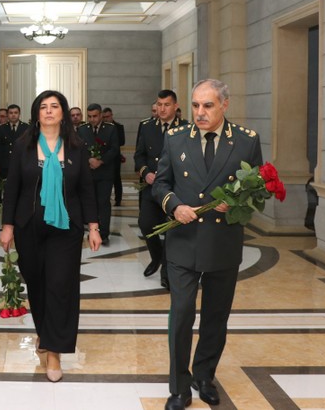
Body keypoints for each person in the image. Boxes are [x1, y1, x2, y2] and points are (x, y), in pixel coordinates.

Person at [152, 79, 262, 410]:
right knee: (182, 313)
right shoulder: (175, 139)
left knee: (216, 316)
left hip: (222, 243)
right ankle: (179, 387)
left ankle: (204, 375)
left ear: (224, 105)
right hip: (183, 242)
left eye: (208, 106)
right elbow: (160, 184)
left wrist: (239, 203)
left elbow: (258, 189)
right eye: (196, 105)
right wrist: (174, 205)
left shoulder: (245, 142)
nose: (200, 112)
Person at [0, 90, 101, 383]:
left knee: (59, 285)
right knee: (37, 283)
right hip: (29, 225)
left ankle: (54, 350)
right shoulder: (23, 146)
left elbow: (85, 189)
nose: (49, 111)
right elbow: (13, 188)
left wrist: (93, 227)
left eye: (55, 106)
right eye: (43, 107)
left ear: (64, 112)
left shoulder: (77, 147)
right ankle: (44, 333)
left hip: (65, 228)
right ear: (36, 113)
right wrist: (7, 226)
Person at [134, 90, 187, 290]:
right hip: (152, 187)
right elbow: (138, 156)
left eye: (166, 104)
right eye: (159, 104)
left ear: (175, 106)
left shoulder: (186, 128)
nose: (162, 108)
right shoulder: (147, 127)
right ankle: (156, 257)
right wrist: (145, 171)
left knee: (171, 231)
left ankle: (166, 273)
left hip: (175, 190)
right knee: (146, 224)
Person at [76, 103, 120, 245]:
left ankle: (104, 234)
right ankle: (92, 231)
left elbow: (114, 150)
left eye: (95, 116)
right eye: (89, 116)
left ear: (100, 115)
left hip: (105, 173)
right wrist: (89, 159)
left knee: (103, 203)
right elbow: (78, 149)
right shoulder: (82, 129)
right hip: (88, 173)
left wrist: (100, 161)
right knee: (90, 203)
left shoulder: (111, 129)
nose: (92, 119)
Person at [0, 104, 29, 214]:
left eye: (15, 113)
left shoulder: (26, 128)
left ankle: (21, 210)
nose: (13, 115)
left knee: (21, 189)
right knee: (7, 190)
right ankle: (7, 211)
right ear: (7, 115)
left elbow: (30, 148)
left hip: (22, 164)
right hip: (5, 164)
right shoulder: (1, 128)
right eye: (11, 113)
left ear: (19, 114)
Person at [102, 107, 125, 206]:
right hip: (103, 156)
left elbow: (122, 141)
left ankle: (118, 199)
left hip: (115, 157)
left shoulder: (118, 127)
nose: (106, 119)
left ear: (111, 115)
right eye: (104, 117)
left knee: (116, 179)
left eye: (107, 116)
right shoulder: (102, 127)